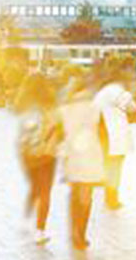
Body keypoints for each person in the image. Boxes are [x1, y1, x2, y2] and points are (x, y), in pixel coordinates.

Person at [59, 69, 104, 250]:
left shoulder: (63, 108)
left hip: (71, 154)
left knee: (74, 195)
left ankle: (74, 232)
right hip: (89, 154)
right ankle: (81, 235)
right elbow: (100, 131)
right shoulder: (93, 107)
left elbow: (61, 133)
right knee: (86, 196)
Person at [15, 73, 62, 244]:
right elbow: (58, 127)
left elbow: (23, 131)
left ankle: (25, 221)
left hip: (25, 153)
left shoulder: (23, 105)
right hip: (46, 153)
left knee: (34, 187)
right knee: (45, 192)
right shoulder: (50, 105)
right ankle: (40, 230)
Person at [93, 55, 136, 210]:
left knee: (109, 166)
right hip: (114, 135)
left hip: (103, 132)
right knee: (115, 167)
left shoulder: (103, 91)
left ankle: (109, 196)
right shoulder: (116, 90)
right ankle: (112, 200)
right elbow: (132, 106)